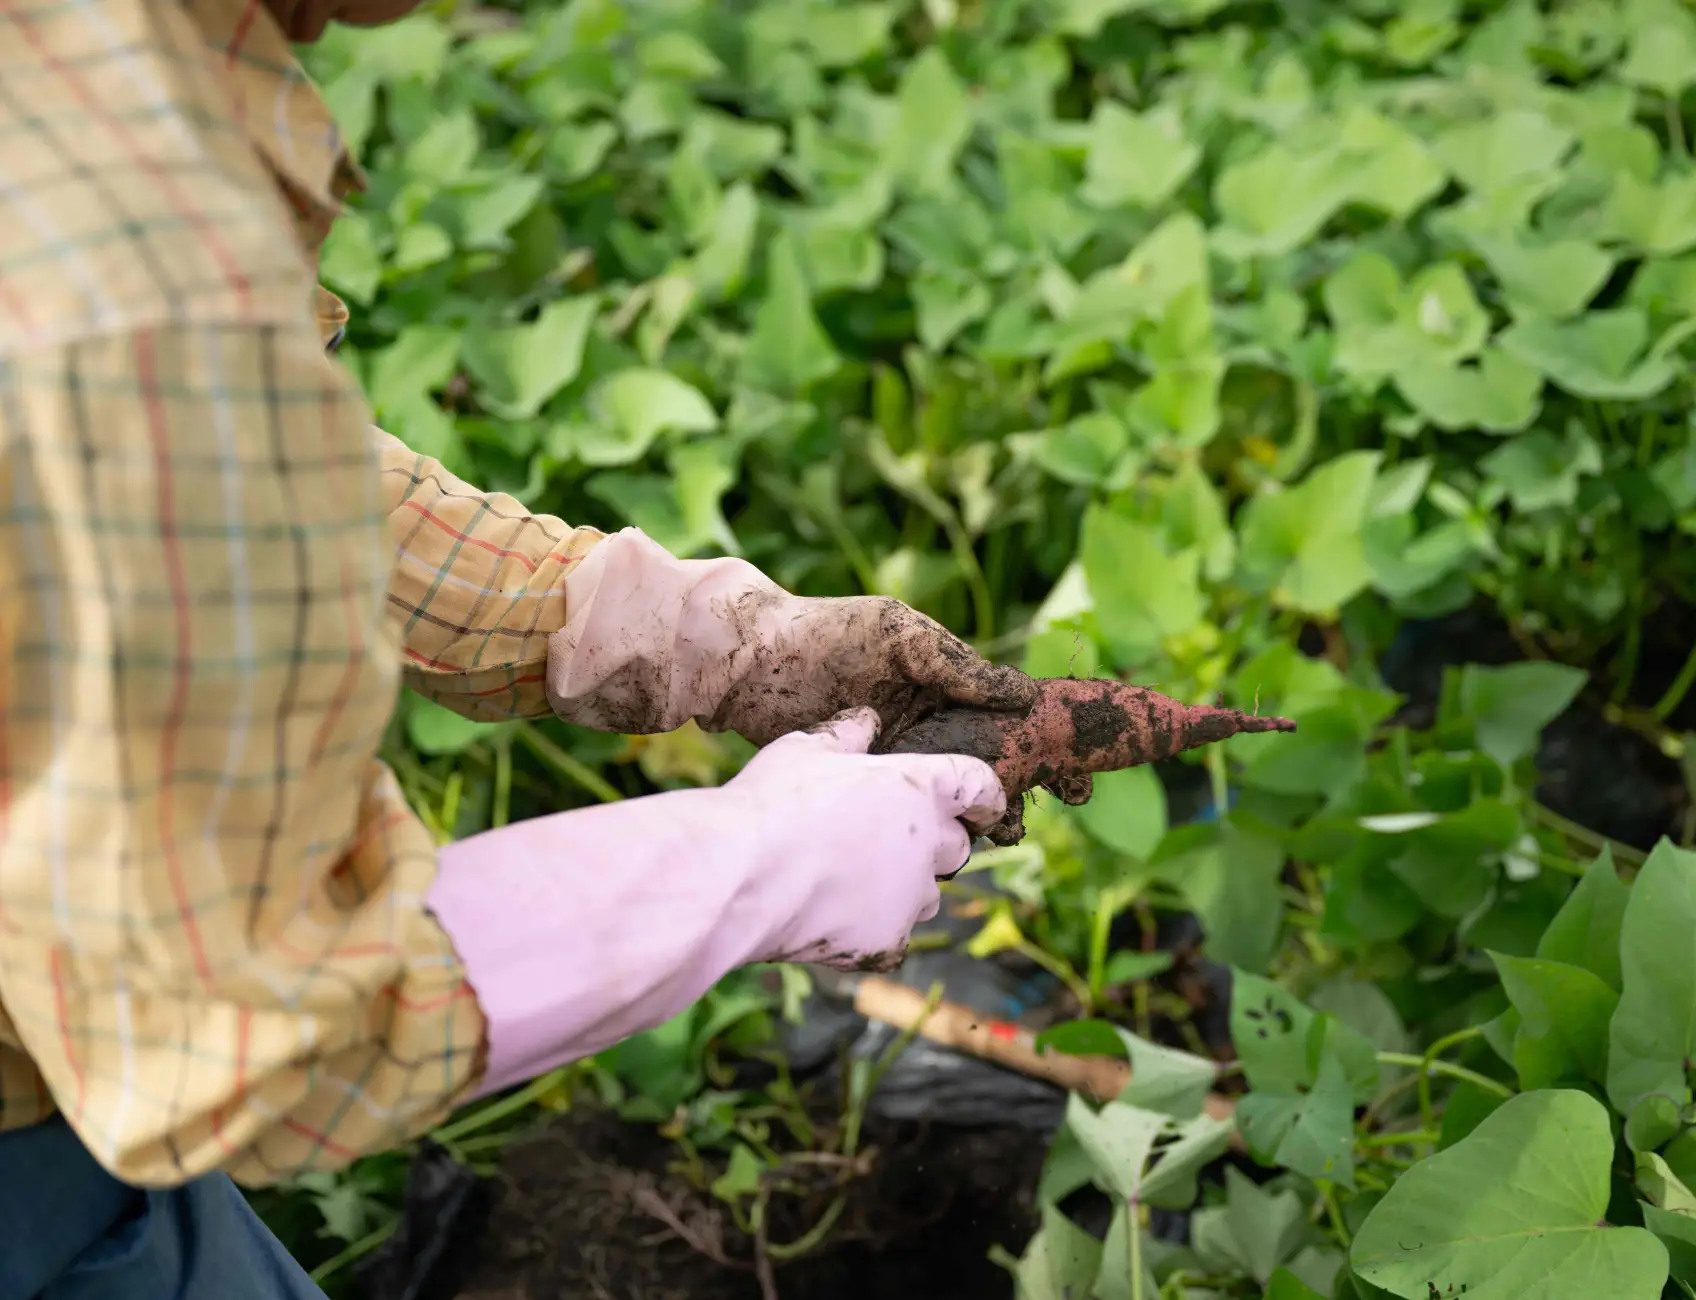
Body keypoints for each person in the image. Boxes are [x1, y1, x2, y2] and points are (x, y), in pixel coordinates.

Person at [0, 1, 1047, 1294]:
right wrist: (750, 864)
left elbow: (189, 461)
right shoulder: (77, 203)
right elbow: (242, 1026)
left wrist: (687, 634)